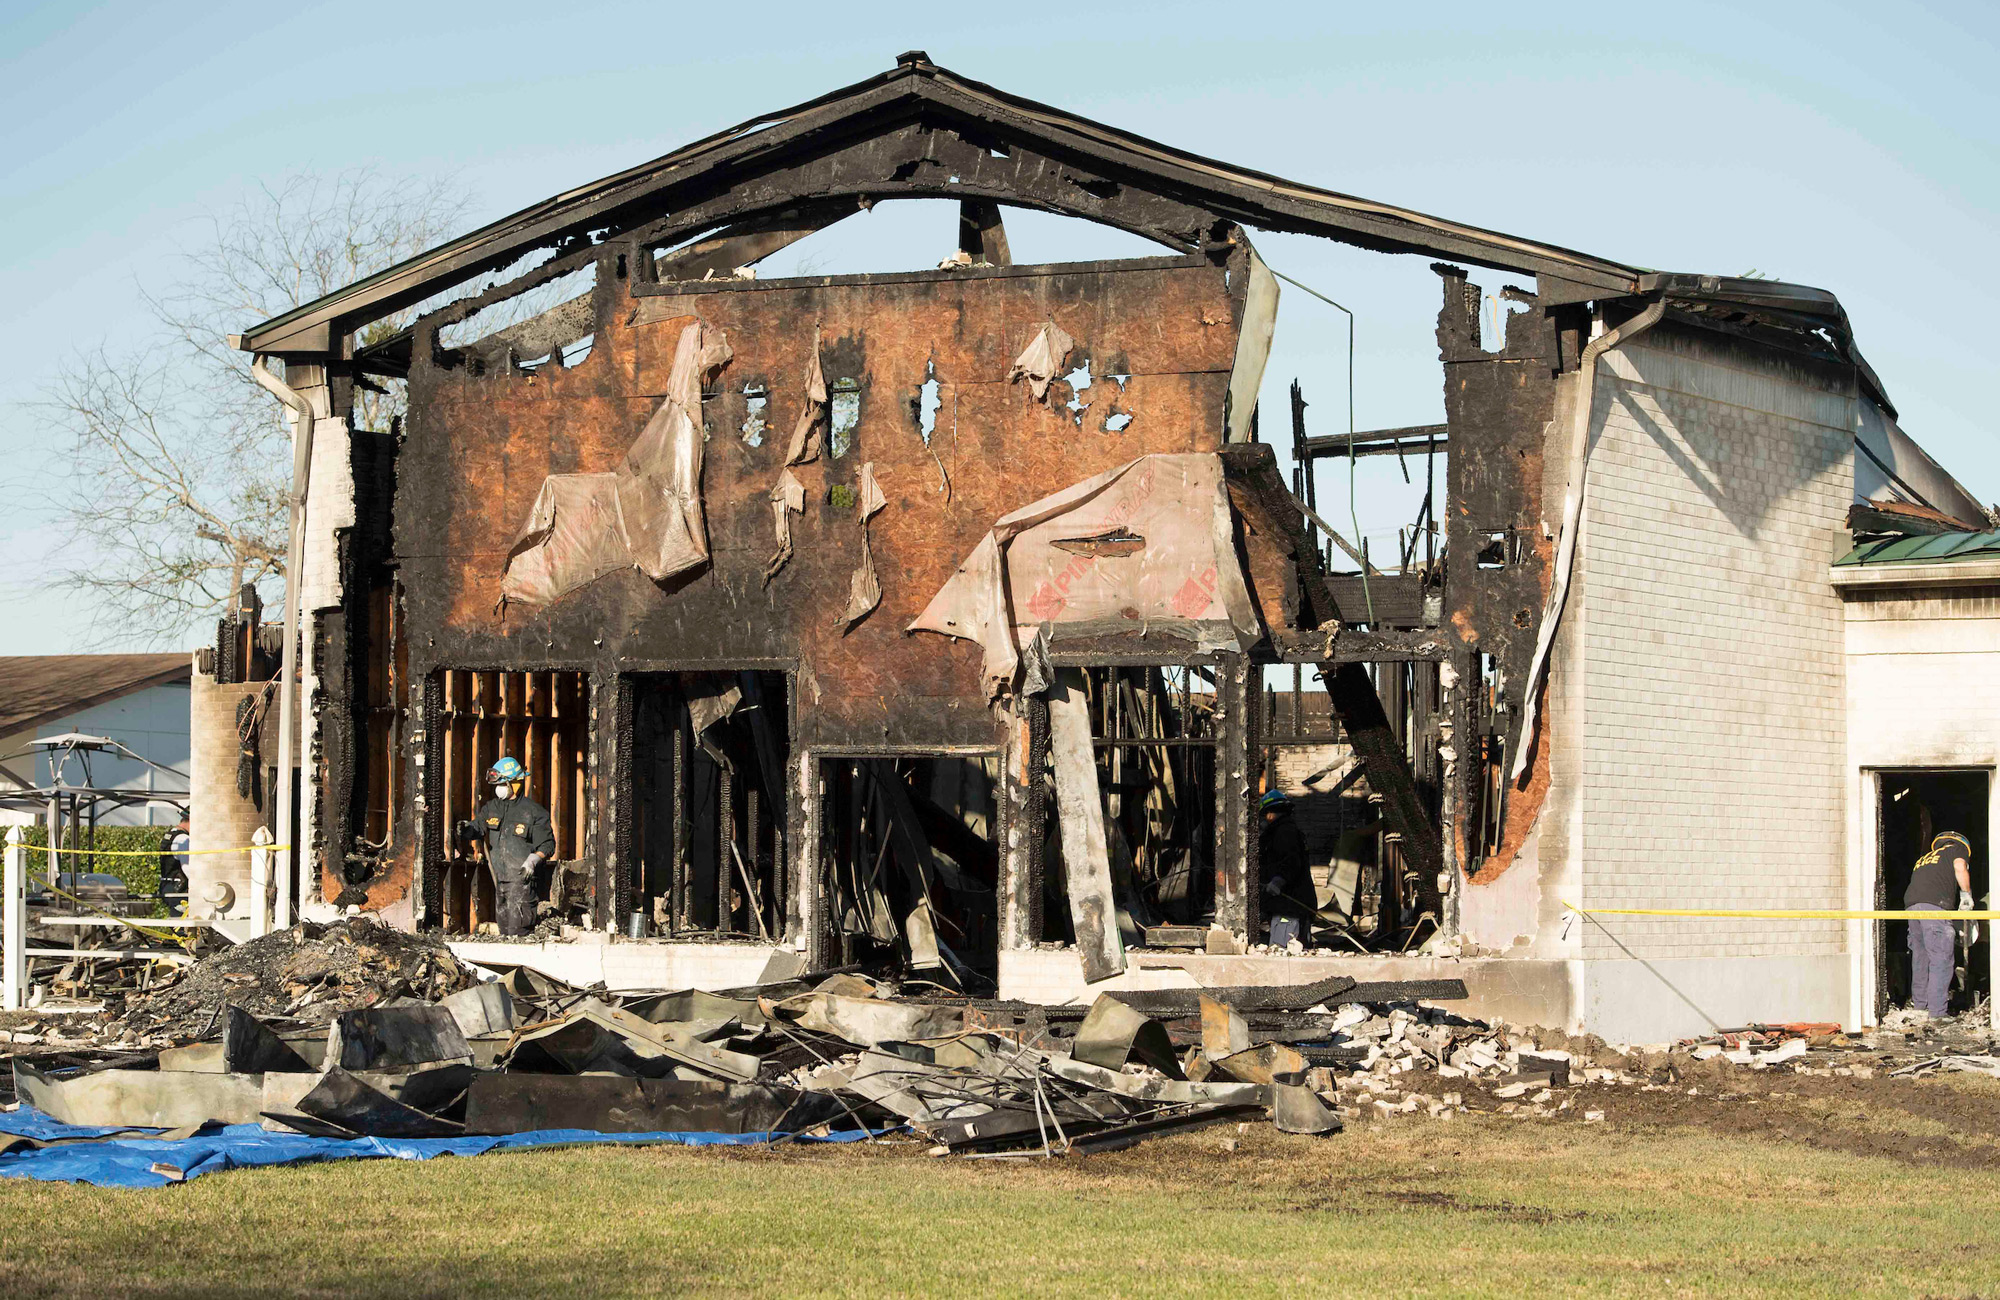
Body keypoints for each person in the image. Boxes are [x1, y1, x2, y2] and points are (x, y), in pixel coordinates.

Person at [457, 757, 556, 936]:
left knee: (518, 931)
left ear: (515, 783)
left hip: (522, 884)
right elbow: (478, 828)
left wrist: (532, 861)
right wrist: (466, 829)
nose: (499, 788)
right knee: (504, 930)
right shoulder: (492, 807)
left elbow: (548, 844)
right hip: (500, 881)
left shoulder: (534, 812)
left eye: (503, 783)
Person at [1905, 830, 1973, 1020]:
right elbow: (1960, 867)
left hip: (1912, 907)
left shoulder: (1925, 858)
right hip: (1935, 907)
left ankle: (1920, 1008)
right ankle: (1937, 1014)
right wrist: (1966, 895)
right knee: (1941, 959)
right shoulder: (1956, 849)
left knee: (1921, 959)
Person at [1257, 789, 1317, 942]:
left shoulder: (1284, 832)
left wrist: (1277, 881)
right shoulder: (1286, 831)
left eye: (1264, 815)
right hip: (1292, 906)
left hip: (1288, 908)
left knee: (1282, 952)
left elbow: (1291, 862)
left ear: (1270, 813)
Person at [159, 815, 191, 906]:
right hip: (178, 888)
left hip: (167, 885)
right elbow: (188, 868)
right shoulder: (183, 839)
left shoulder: (170, 835)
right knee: (182, 918)